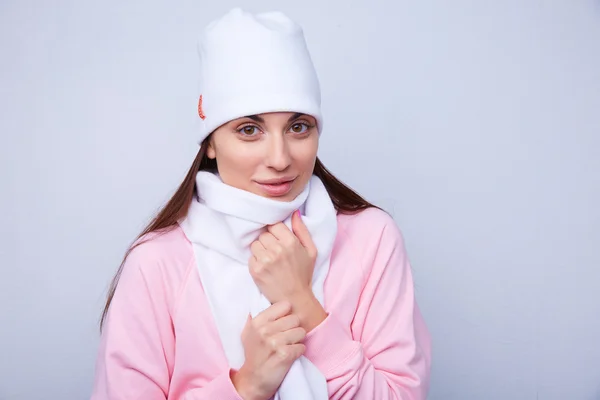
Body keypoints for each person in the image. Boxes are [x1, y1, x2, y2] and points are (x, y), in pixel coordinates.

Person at [90, 7, 431, 400]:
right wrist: (246, 385)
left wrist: (304, 305)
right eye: (249, 130)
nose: (280, 158)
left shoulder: (371, 239)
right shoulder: (157, 263)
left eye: (298, 126)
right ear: (212, 142)